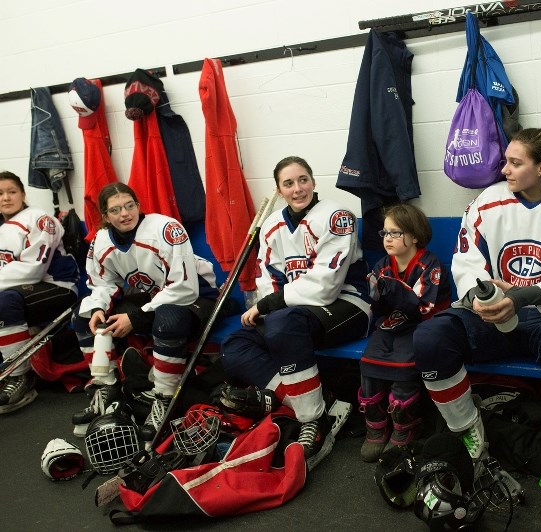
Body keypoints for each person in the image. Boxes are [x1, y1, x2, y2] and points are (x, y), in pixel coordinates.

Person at [413, 127, 541, 511]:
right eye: (505, 160)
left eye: (514, 162)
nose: (503, 169)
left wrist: (518, 296)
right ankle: (469, 432)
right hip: (494, 315)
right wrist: (481, 293)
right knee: (430, 339)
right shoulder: (488, 201)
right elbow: (467, 258)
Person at [220, 156, 371, 470]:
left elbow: (326, 287)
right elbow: (267, 278)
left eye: (303, 179)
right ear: (279, 189)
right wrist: (266, 307)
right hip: (292, 314)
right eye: (288, 183)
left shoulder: (336, 217)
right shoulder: (273, 224)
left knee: (282, 325)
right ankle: (325, 404)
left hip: (348, 305)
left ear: (313, 182)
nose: (298, 188)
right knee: (235, 346)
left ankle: (312, 420)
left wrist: (269, 307)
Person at [71, 182, 220, 439]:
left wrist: (136, 317)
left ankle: (164, 399)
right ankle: (106, 388)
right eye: (116, 210)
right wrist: (98, 307)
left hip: (200, 298)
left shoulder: (166, 229)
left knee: (168, 318)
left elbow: (184, 288)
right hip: (155, 298)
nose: (125, 214)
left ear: (139, 206)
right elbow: (103, 284)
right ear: (105, 217)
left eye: (130, 206)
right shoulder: (101, 240)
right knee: (84, 316)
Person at [358, 203, 451, 462]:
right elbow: (379, 308)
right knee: (370, 361)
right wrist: (377, 296)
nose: (388, 238)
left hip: (426, 325)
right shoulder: (382, 265)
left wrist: (392, 289)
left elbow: (424, 308)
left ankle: (405, 425)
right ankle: (376, 425)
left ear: (414, 236)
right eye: (385, 233)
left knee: (404, 363)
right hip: (394, 324)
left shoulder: (429, 264)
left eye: (395, 233)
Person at [0, 171, 79, 413]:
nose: (5, 198)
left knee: (4, 301)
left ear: (23, 194)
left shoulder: (39, 218)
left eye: (11, 192)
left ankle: (20, 375)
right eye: (0, 194)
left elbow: (33, 270)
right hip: (19, 291)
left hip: (59, 287)